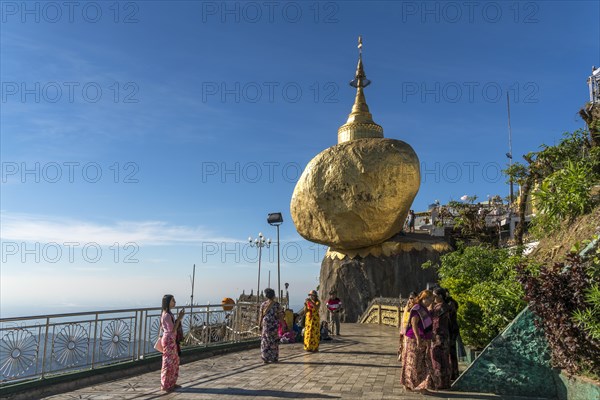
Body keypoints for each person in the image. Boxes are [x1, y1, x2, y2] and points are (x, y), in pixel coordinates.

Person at [399, 289, 434, 393]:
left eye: (431, 300)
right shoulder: (417, 308)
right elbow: (414, 324)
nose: (430, 302)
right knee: (412, 363)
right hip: (413, 339)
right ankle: (410, 385)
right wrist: (418, 339)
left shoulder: (424, 308)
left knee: (421, 362)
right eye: (429, 299)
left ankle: (421, 386)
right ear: (423, 299)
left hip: (422, 338)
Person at [160, 294, 185, 392]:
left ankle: (172, 383)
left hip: (171, 339)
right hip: (169, 340)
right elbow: (172, 329)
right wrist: (179, 318)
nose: (175, 302)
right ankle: (165, 385)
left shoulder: (168, 313)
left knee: (174, 361)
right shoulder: (166, 315)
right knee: (168, 363)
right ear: (168, 302)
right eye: (173, 300)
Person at [430, 287, 451, 389]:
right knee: (444, 359)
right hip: (444, 335)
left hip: (439, 336)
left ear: (440, 296)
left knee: (438, 360)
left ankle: (439, 383)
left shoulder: (440, 307)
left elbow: (435, 322)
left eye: (434, 296)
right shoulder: (445, 306)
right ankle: (445, 383)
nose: (433, 298)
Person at [259, 288, 284, 363]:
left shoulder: (263, 304)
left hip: (266, 324)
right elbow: (280, 315)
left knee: (265, 340)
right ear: (273, 295)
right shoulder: (276, 305)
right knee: (273, 340)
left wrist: (259, 324)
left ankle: (265, 357)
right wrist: (282, 324)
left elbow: (261, 315)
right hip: (273, 324)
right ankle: (273, 357)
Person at [398, 291, 418, 362]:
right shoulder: (407, 306)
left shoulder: (417, 307)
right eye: (410, 298)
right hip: (405, 327)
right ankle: (403, 357)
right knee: (403, 344)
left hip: (412, 329)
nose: (412, 300)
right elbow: (403, 317)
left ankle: (407, 360)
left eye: (413, 298)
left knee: (408, 346)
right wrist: (402, 327)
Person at [446, 290, 461, 380]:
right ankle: (453, 373)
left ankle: (453, 373)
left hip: (451, 330)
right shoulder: (450, 303)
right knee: (451, 353)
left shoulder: (450, 303)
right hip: (450, 329)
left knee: (451, 353)